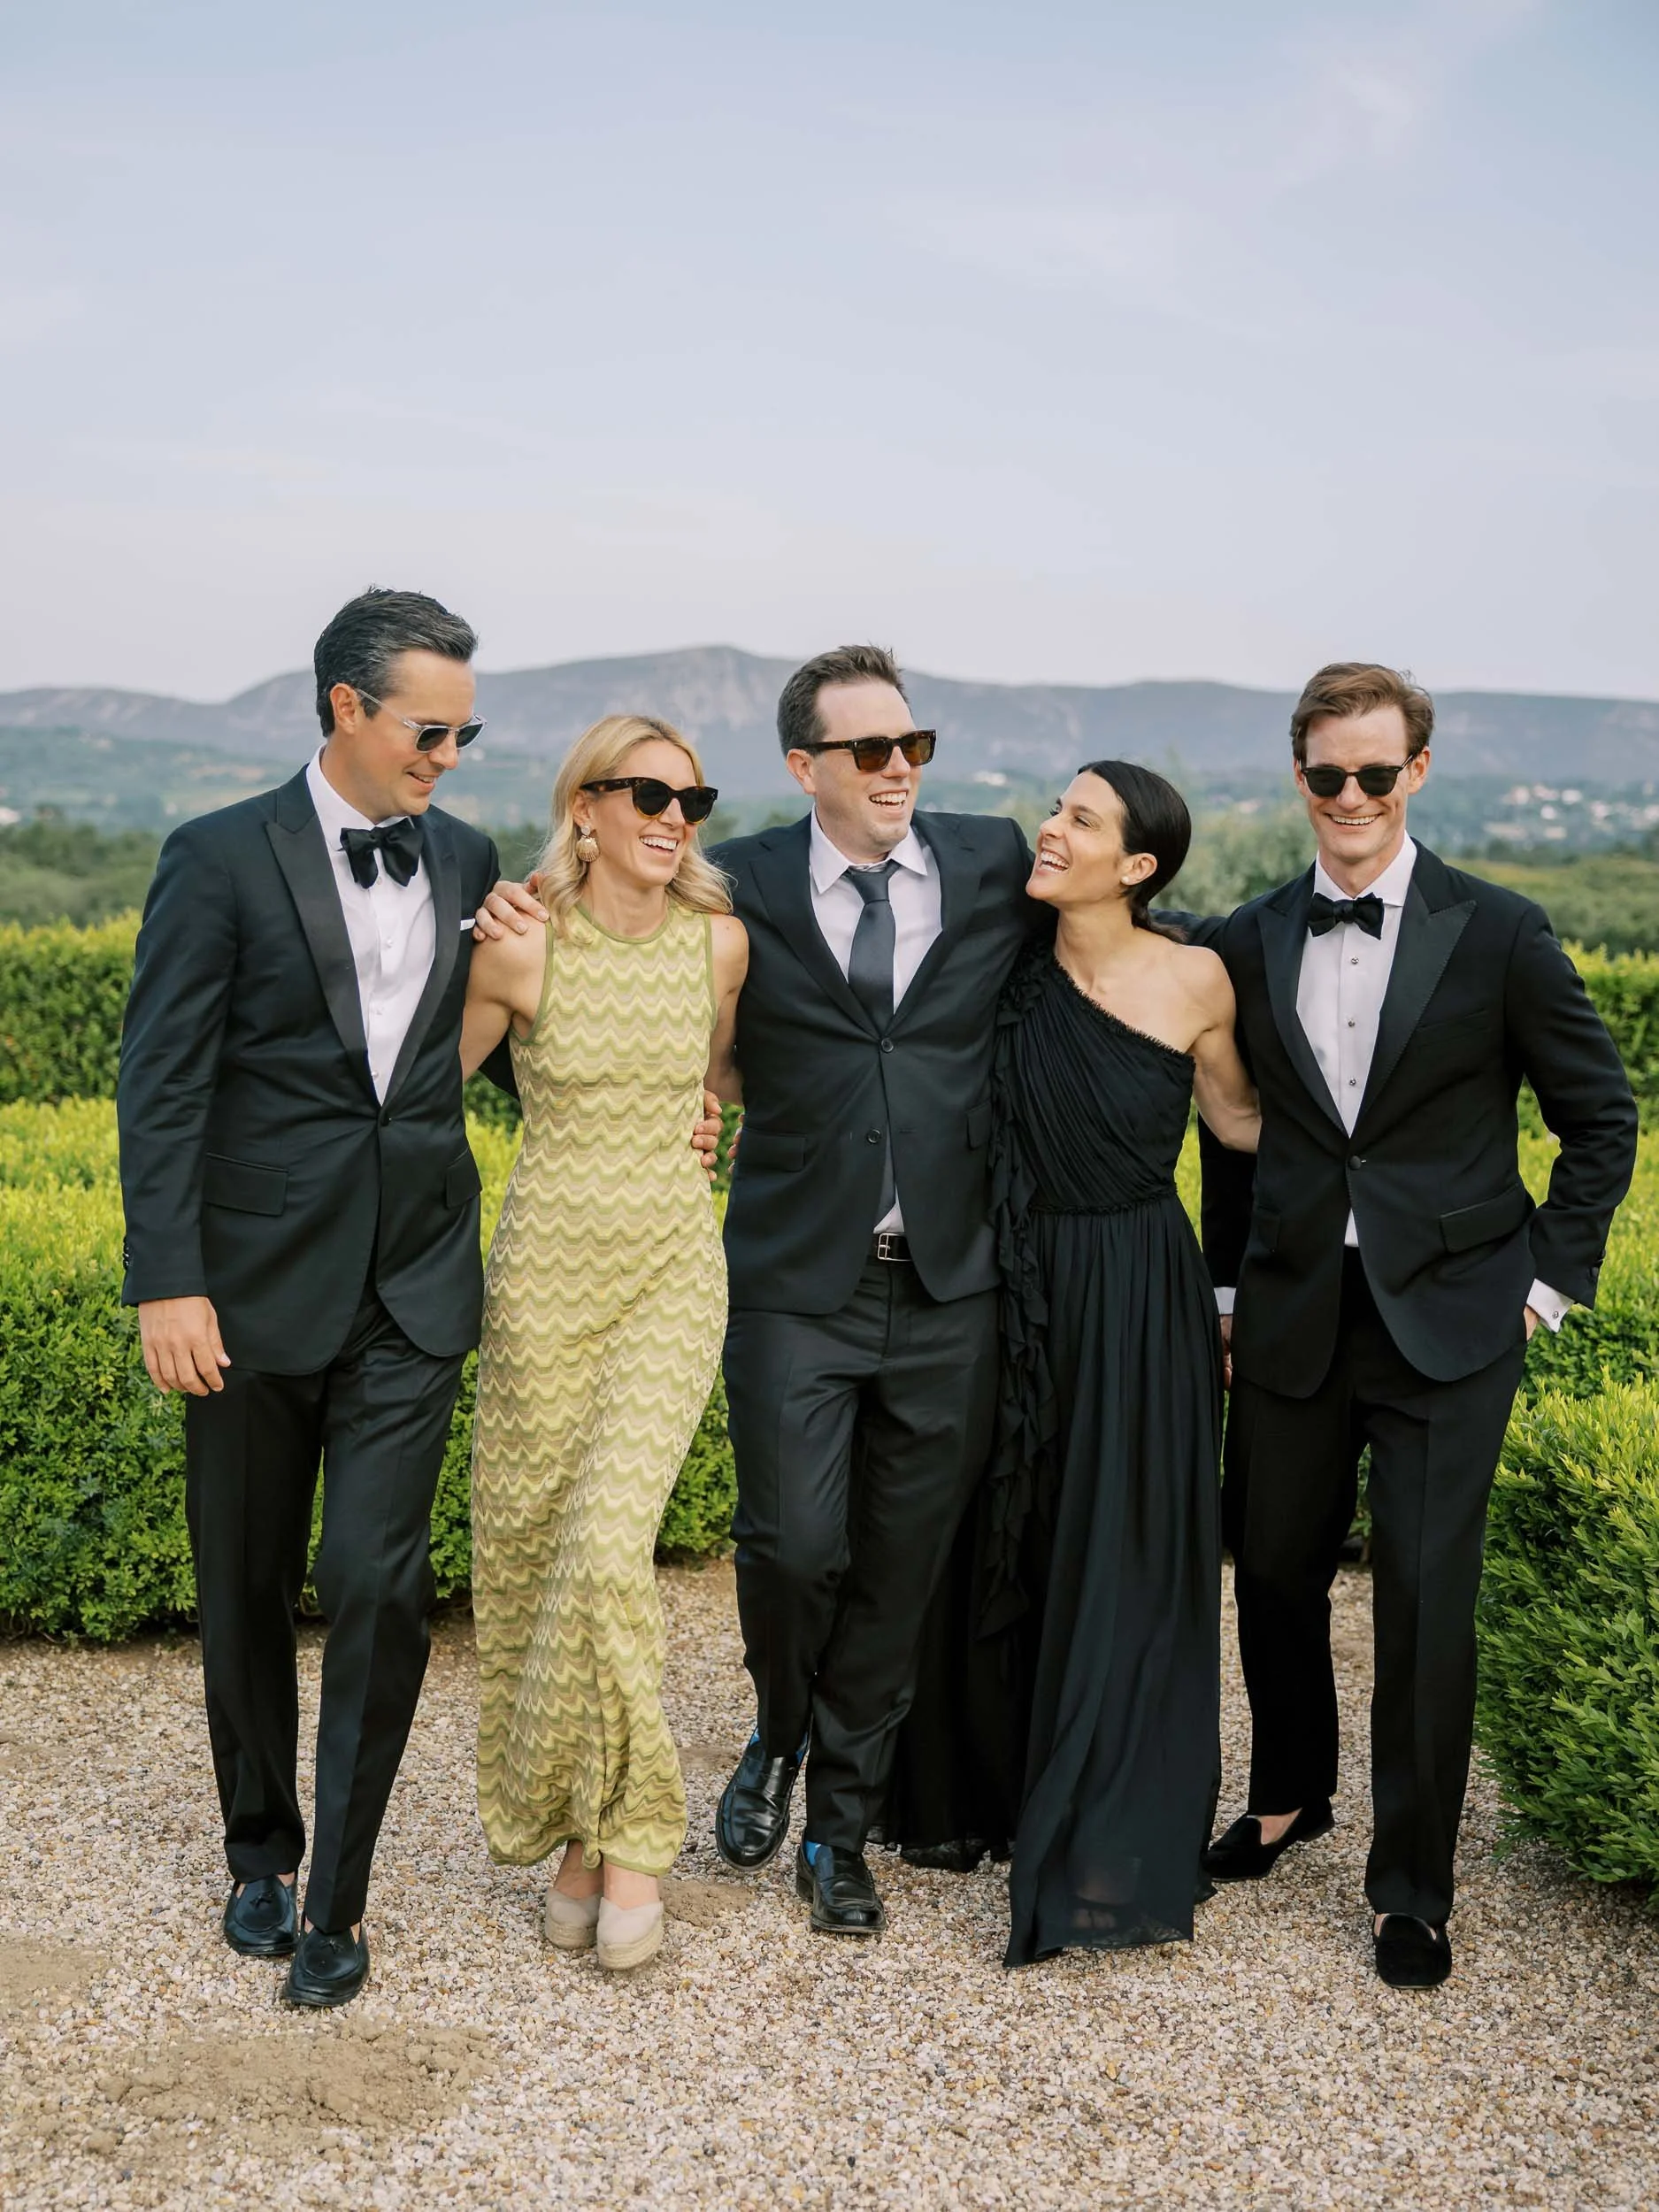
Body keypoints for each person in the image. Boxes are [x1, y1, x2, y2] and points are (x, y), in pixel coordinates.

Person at [1197, 661, 1638, 1989]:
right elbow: (1230, 1137)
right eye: (1326, 773)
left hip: (1451, 1323)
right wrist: (1223, 1290)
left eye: (1373, 774)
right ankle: (1289, 1792)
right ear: (1298, 777)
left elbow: (1597, 1119)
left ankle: (1412, 1887)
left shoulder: (1495, 930)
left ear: (1416, 775)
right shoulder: (1242, 935)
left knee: (1423, 1602)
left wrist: (1542, 1281)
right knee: (1268, 1570)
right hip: (1284, 1314)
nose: (1348, 795)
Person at [117, 588, 505, 2008]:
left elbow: (483, 1040)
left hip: (414, 1284)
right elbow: (159, 1085)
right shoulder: (215, 855)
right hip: (250, 1290)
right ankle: (258, 1852)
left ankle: (341, 1894)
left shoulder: (466, 855)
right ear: (345, 706)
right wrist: (170, 1280)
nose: (447, 758)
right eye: (428, 729)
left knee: (379, 1583)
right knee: (243, 1582)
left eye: (465, 733)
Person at [885, 763, 1260, 1966]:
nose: (1050, 828)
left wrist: (1242, 1283)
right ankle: (978, 1789)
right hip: (1005, 1280)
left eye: (1080, 820)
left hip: (1141, 1286)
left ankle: (1103, 1817)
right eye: (1055, 808)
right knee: (999, 1517)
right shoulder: (1002, 951)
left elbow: (1244, 1126)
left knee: (1125, 1545)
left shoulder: (1198, 977)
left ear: (1138, 865)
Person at [460, 715, 746, 1973]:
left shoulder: (718, 945)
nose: (673, 815)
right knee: (535, 1562)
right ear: (585, 805)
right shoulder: (522, 945)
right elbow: (413, 1105)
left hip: (671, 1275)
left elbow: (725, 1077)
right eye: (647, 792)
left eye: (692, 797)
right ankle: (577, 1834)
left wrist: (702, 1115)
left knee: (608, 1545)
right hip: (541, 1290)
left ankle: (635, 1836)